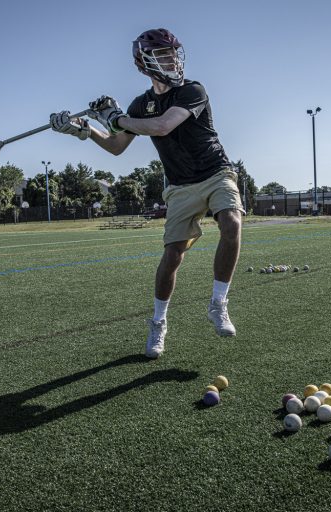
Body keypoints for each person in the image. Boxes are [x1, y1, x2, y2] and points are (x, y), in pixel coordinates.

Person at [49, 28, 243, 359]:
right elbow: (115, 146)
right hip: (180, 187)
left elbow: (162, 126)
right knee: (172, 258)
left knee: (232, 224)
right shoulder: (141, 104)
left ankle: (218, 303)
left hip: (216, 173)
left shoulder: (192, 90)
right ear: (144, 63)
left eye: (173, 54)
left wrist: (116, 117)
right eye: (164, 55)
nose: (172, 60)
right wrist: (84, 130)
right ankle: (158, 323)